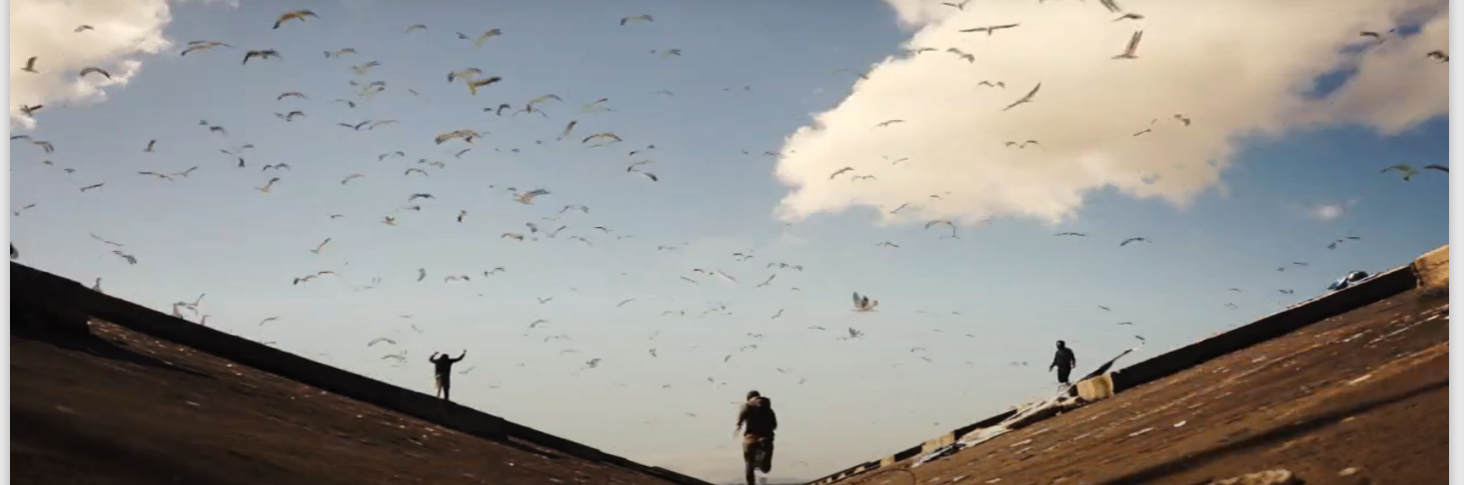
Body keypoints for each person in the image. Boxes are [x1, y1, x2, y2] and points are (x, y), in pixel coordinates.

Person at [734, 390, 778, 485]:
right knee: (766, 468)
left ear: (748, 398)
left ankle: (751, 483)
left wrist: (739, 424)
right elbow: (774, 425)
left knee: (749, 461)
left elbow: (742, 414)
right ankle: (765, 457)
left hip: (751, 437)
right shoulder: (768, 408)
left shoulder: (748, 405)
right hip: (766, 437)